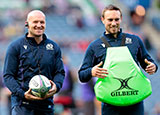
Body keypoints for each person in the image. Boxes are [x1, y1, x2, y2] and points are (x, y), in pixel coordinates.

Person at [78, 4, 158, 115]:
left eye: (116, 19)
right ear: (103, 20)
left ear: (121, 19)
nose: (114, 23)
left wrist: (153, 67)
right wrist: (92, 71)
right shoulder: (95, 46)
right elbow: (81, 75)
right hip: (110, 104)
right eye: (110, 20)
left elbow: (149, 63)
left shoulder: (135, 41)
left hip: (135, 102)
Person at [3, 10, 65, 115]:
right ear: (27, 24)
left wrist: (56, 86)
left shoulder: (54, 47)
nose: (39, 25)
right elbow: (8, 76)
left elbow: (60, 72)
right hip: (22, 104)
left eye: (42, 22)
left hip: (46, 104)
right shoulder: (15, 46)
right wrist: (22, 94)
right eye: (35, 22)